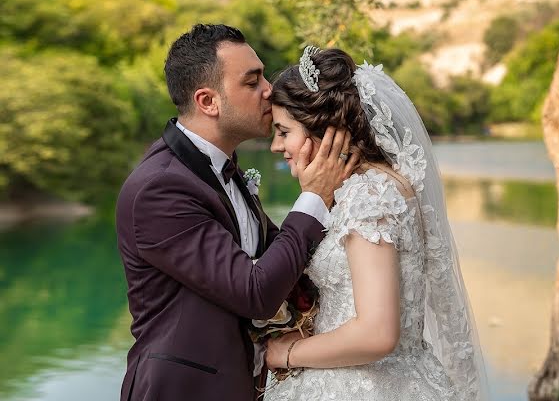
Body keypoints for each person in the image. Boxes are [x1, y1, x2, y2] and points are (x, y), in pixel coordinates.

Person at [115, 25, 357, 401]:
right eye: (252, 81)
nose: (269, 91)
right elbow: (255, 291)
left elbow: (286, 263)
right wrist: (313, 196)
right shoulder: (159, 188)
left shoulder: (222, 169)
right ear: (208, 101)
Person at [262, 46, 489, 401]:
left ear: (324, 131)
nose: (276, 146)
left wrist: (284, 353)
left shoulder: (367, 196)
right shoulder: (383, 184)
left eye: (283, 131)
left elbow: (377, 333)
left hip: (364, 386)